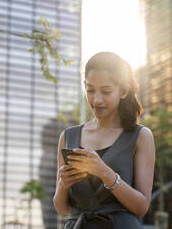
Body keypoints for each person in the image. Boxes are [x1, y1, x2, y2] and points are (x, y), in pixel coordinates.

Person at [53, 52, 155, 228]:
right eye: (90, 90)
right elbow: (62, 209)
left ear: (123, 91)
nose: (96, 100)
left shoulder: (140, 136)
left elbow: (141, 207)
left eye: (106, 91)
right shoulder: (68, 137)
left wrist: (104, 173)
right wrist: (63, 184)